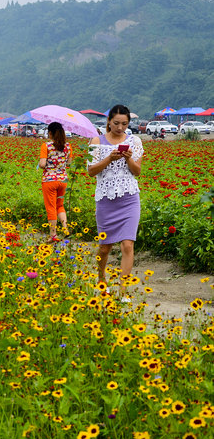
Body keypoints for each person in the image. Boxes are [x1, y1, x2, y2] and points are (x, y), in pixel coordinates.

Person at [88, 104, 143, 302]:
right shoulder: (97, 140)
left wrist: (128, 159)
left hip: (129, 197)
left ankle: (124, 291)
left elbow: (137, 171)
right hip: (105, 199)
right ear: (109, 121)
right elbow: (92, 171)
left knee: (128, 244)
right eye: (117, 123)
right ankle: (101, 278)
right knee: (105, 247)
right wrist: (109, 158)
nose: (120, 128)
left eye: (125, 124)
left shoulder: (134, 141)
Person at [38, 121, 71, 242]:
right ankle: (65, 229)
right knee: (60, 205)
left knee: (51, 207)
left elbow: (42, 164)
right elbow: (69, 163)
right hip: (63, 179)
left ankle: (53, 235)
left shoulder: (46, 146)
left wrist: (48, 163)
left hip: (49, 180)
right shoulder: (67, 146)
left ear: (50, 133)